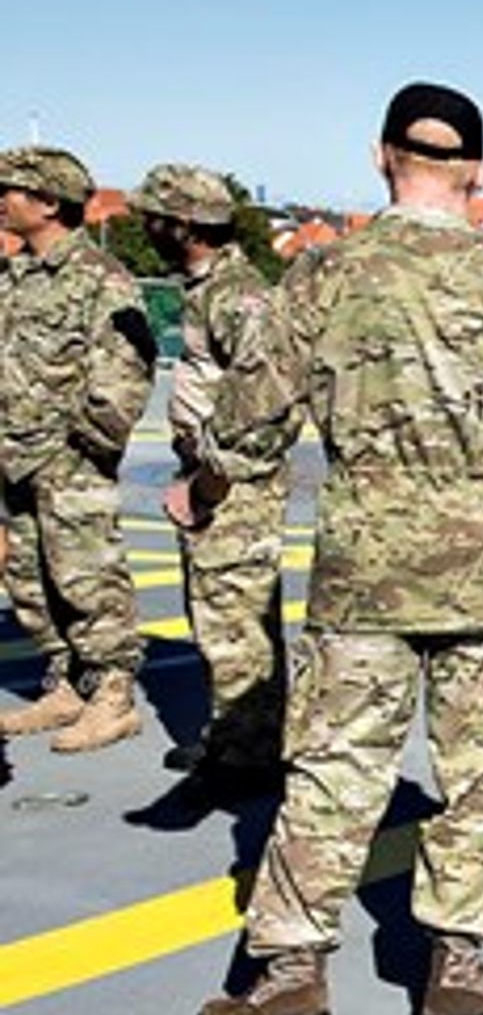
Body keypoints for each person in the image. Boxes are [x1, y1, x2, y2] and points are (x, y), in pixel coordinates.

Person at [190, 82, 483, 1015]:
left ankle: (289, 976)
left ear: (383, 156)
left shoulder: (322, 274)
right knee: (479, 774)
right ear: (479, 172)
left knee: (332, 767)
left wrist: (212, 474)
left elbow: (249, 424)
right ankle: (455, 974)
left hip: (365, 572)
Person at [136, 163, 288, 790]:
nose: (145, 226)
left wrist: (209, 482)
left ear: (186, 225)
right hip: (212, 474)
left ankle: (250, 754)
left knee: (238, 622)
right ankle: (234, 738)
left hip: (233, 485)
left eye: (155, 216)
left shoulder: (238, 296)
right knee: (218, 616)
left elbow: (267, 402)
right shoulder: (207, 290)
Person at [0, 146, 155, 754]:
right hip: (14, 455)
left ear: (48, 202)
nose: (0, 199)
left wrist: (81, 449)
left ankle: (113, 694)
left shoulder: (101, 279)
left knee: (87, 578)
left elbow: (124, 371)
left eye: (10, 188)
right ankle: (66, 681)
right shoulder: (16, 278)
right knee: (29, 580)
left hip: (68, 460)